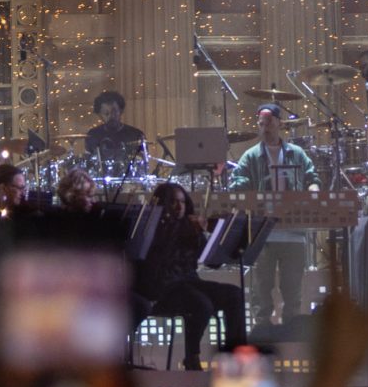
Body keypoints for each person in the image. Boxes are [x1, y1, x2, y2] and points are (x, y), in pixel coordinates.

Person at [132, 181, 245, 369]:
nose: (180, 207)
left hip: (189, 282)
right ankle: (192, 357)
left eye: (183, 202)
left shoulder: (189, 227)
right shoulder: (152, 227)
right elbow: (157, 261)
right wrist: (182, 230)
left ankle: (237, 355)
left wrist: (212, 237)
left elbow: (212, 263)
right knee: (202, 304)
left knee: (234, 294)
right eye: (174, 202)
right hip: (163, 289)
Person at [229, 104, 317, 332]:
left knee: (292, 286)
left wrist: (313, 190)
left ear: (279, 123)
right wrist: (239, 187)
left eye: (268, 122)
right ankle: (261, 330)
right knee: (261, 286)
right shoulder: (250, 156)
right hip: (263, 232)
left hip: (293, 231)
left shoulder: (297, 153)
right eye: (261, 123)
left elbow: (312, 177)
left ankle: (291, 328)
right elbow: (238, 182)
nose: (264, 127)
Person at [84, 90, 147, 167]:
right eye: (106, 113)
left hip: (129, 178)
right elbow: (89, 163)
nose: (111, 116)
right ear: (100, 115)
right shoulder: (93, 135)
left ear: (121, 111)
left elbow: (143, 164)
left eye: (114, 112)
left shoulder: (136, 135)